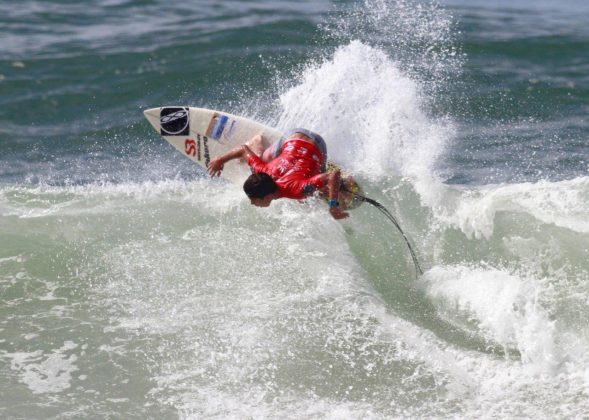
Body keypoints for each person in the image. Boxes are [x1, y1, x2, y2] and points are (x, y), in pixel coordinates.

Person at [207, 128, 350, 219]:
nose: (251, 203)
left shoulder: (298, 190)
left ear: (267, 196)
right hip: (293, 135)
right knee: (261, 162)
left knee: (314, 195)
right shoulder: (262, 172)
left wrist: (333, 205)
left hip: (317, 144)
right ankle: (256, 141)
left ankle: (345, 183)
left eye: (254, 199)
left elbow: (333, 175)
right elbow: (243, 149)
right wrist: (220, 160)